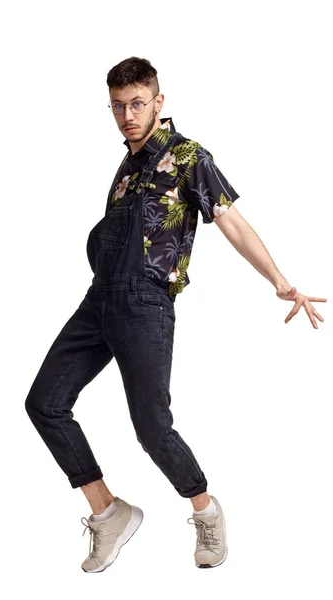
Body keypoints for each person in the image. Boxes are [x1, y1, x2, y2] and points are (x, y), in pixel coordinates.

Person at [24, 56, 327, 573]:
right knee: (45, 403)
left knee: (152, 428)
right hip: (99, 299)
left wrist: (280, 281)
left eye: (137, 103)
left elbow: (230, 221)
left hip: (145, 303)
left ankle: (205, 510)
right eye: (118, 107)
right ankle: (108, 511)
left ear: (158, 102)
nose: (127, 115)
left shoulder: (188, 156)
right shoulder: (125, 168)